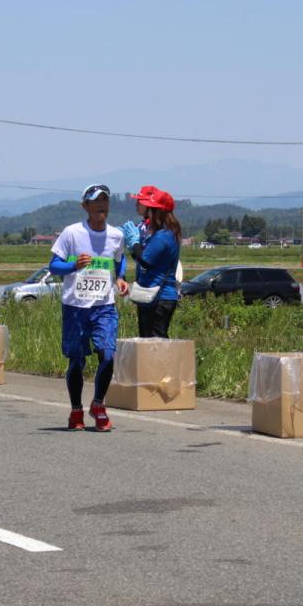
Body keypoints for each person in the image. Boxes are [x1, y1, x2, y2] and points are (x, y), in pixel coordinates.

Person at [49, 184, 129, 432]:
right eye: (96, 201)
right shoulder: (72, 234)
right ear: (85, 206)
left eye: (105, 201)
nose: (101, 205)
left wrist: (120, 278)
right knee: (76, 361)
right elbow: (53, 266)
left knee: (107, 354)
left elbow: (120, 258)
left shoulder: (116, 235)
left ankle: (98, 404)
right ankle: (76, 410)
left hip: (103, 305)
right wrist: (73, 267)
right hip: (75, 307)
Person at [121, 186, 182, 338]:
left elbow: (146, 261)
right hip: (154, 295)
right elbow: (144, 257)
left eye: (150, 210)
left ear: (156, 212)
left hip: (159, 297)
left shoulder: (163, 236)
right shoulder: (164, 233)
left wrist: (134, 243)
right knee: (148, 340)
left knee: (155, 342)